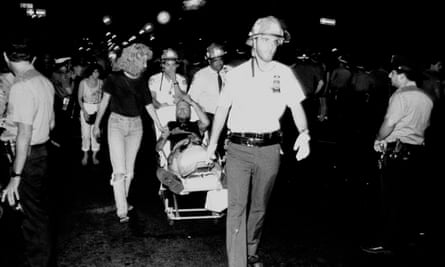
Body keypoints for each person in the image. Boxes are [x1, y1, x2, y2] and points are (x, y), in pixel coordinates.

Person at [206, 16, 310, 267]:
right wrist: (211, 146)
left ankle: (250, 250)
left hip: (270, 150)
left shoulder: (284, 73)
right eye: (265, 39)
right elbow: (221, 110)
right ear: (253, 41)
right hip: (239, 149)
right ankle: (237, 263)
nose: (270, 46)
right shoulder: (238, 74)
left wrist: (304, 132)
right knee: (237, 208)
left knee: (260, 207)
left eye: (275, 41)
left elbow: (295, 106)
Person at [362, 61, 433, 254]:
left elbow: (389, 123)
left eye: (392, 73)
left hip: (396, 151)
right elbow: (426, 126)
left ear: (401, 75)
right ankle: (407, 238)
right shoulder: (426, 96)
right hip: (417, 150)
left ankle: (386, 242)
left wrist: (378, 138)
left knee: (389, 199)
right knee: (408, 197)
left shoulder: (400, 96)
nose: (389, 76)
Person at [93, 43, 165, 223]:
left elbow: (148, 104)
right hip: (116, 124)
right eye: (143, 61)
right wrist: (96, 125)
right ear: (132, 59)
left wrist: (159, 124)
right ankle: (122, 210)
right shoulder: (113, 78)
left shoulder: (141, 79)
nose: (146, 65)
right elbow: (104, 103)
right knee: (119, 170)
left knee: (130, 172)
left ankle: (122, 200)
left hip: (136, 126)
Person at [1, 36, 56, 267]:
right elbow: (51, 124)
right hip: (41, 152)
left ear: (5, 57)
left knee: (32, 218)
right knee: (33, 213)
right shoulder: (44, 81)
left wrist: (15, 176)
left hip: (26, 156)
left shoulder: (21, 86)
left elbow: (24, 134)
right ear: (32, 58)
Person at [155, 94, 210, 193]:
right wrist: (164, 136)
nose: (182, 110)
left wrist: (192, 103)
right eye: (179, 109)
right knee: (160, 169)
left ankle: (173, 179)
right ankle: (173, 178)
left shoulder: (196, 125)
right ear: (175, 113)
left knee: (205, 154)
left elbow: (206, 122)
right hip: (178, 155)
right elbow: (158, 148)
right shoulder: (170, 125)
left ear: (190, 112)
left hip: (197, 152)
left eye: (185, 108)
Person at [78, 63, 103, 165]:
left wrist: (101, 112)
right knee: (85, 133)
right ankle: (85, 154)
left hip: (97, 107)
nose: (96, 73)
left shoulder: (101, 82)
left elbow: (102, 98)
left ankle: (94, 155)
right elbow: (79, 98)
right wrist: (84, 111)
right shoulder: (83, 83)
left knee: (96, 134)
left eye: (98, 71)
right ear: (90, 72)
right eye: (94, 71)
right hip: (86, 107)